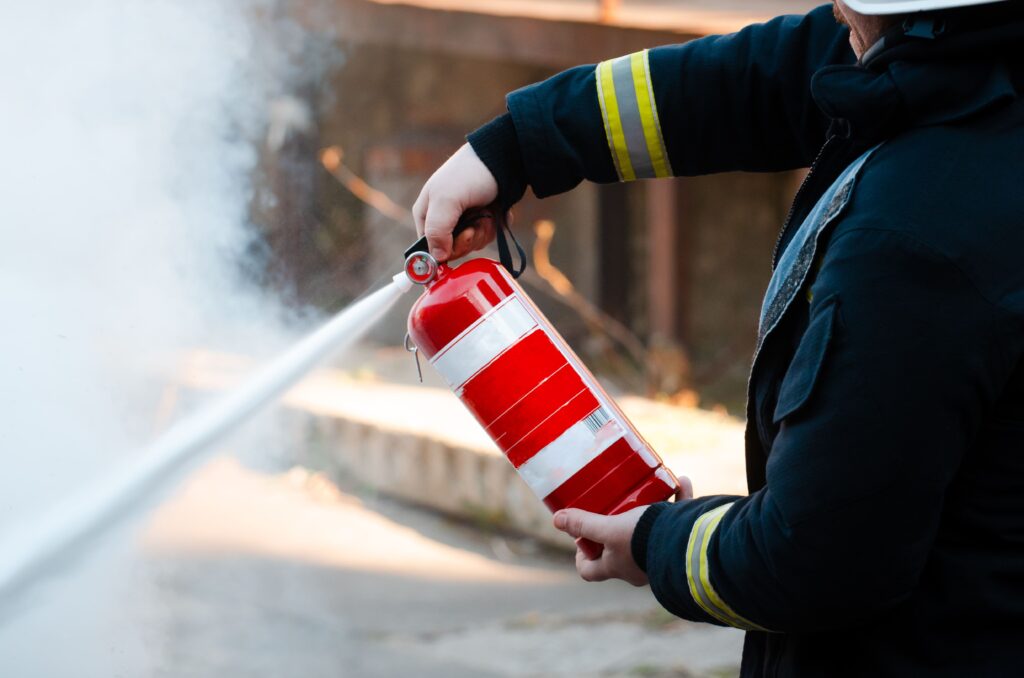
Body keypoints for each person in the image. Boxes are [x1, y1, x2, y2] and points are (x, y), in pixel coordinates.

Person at [413, 0, 1024, 674]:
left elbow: (815, 561)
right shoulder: (970, 63)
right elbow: (758, 79)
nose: (836, 19)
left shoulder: (912, 250)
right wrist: (519, 145)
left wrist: (658, 543)